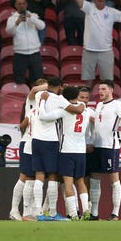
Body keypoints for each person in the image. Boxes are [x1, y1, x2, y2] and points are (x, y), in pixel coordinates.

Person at [57, 0, 121, 85]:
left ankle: (107, 101)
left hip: (106, 51)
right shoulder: (89, 8)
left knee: (107, 82)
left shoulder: (111, 11)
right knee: (88, 81)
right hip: (89, 50)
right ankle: (86, 100)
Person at [30, 77, 85, 221]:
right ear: (59, 87)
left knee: (39, 175)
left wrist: (43, 98)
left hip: (36, 139)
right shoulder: (59, 100)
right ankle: (52, 213)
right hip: (50, 141)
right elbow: (76, 109)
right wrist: (82, 105)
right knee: (53, 176)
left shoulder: (38, 95)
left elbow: (34, 91)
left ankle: (38, 212)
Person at [87, 80, 121, 221]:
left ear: (111, 90)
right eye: (99, 89)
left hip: (110, 147)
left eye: (103, 89)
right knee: (94, 179)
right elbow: (98, 123)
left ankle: (115, 213)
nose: (100, 91)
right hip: (97, 146)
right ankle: (94, 213)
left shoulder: (117, 104)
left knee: (114, 179)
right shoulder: (98, 105)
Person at [10, 79, 48, 221]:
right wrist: (52, 86)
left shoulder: (44, 105)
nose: (44, 92)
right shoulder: (32, 100)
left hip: (38, 143)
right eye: (42, 88)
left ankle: (30, 211)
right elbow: (33, 91)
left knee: (33, 178)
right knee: (25, 177)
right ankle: (16, 210)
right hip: (28, 141)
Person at [5, 0, 45, 85]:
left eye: (23, 4)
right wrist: (17, 23)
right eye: (19, 4)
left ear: (26, 5)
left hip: (34, 53)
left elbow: (42, 26)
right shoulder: (12, 19)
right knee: (19, 81)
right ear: (15, 5)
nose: (21, 6)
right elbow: (9, 32)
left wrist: (30, 17)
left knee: (38, 81)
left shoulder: (33, 15)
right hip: (20, 54)